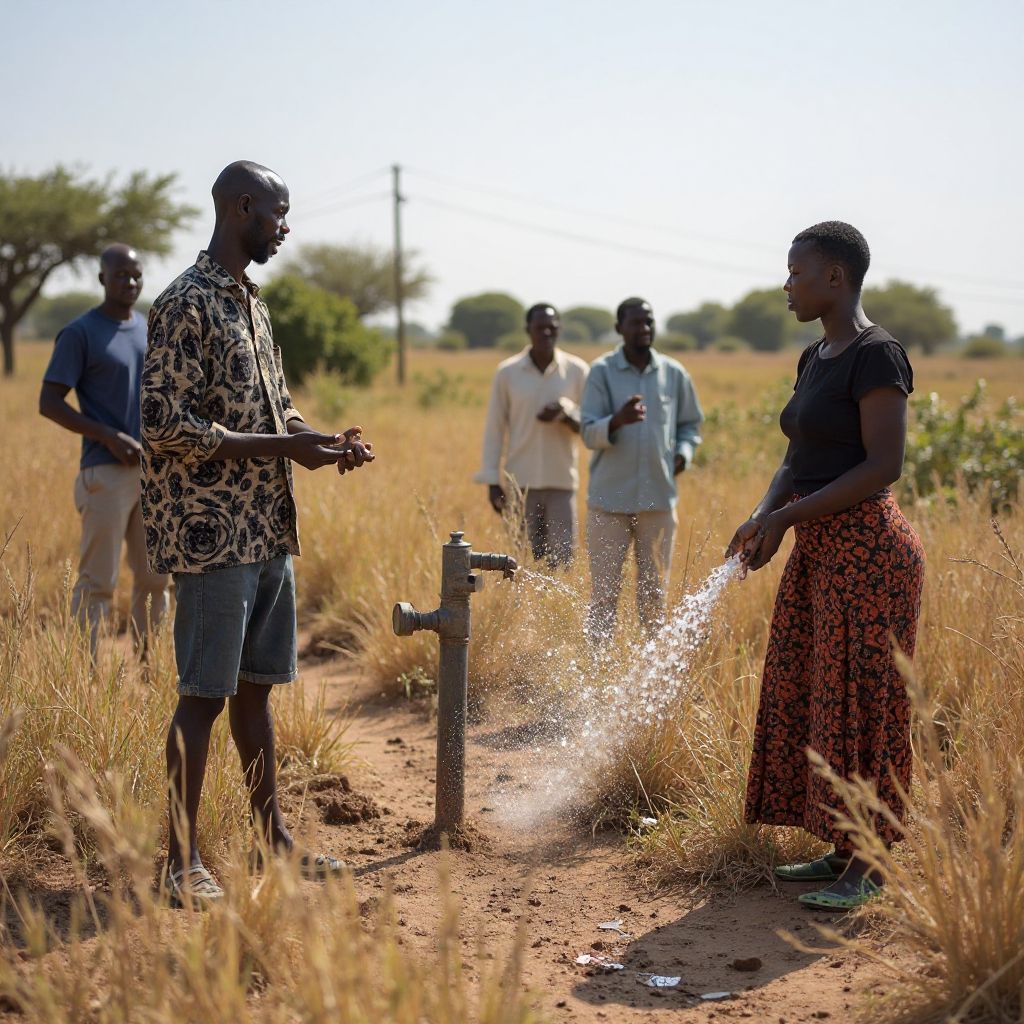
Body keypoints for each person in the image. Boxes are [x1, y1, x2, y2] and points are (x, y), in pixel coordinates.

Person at [141, 160, 375, 909]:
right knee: (202, 698)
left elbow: (276, 412)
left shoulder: (252, 304)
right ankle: (180, 863)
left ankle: (273, 842)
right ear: (241, 208)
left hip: (265, 530)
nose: (284, 225)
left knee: (255, 696)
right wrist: (283, 447)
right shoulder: (185, 302)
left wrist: (322, 441)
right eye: (277, 212)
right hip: (212, 539)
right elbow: (164, 424)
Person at [727, 221, 925, 911]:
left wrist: (784, 520)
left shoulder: (878, 355)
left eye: (796, 273)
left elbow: (883, 465)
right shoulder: (817, 356)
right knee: (818, 693)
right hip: (819, 548)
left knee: (865, 703)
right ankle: (841, 846)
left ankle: (869, 866)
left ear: (834, 278)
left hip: (869, 554)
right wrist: (765, 514)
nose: (787, 285)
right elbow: (796, 457)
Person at [39, 244, 171, 655]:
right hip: (105, 472)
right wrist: (107, 436)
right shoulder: (80, 333)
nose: (130, 282)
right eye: (120, 275)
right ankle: (86, 673)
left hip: (151, 473)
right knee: (99, 583)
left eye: (136, 274)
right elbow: (49, 402)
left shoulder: (149, 327)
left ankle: (150, 669)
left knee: (154, 580)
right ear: (102, 279)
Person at [580, 298, 703, 637]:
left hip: (658, 502)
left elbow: (690, 425)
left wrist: (683, 453)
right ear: (619, 328)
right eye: (635, 323)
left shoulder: (673, 373)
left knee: (654, 598)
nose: (644, 329)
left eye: (648, 321)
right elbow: (588, 432)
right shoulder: (602, 372)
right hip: (608, 503)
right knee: (603, 597)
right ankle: (598, 675)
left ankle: (648, 678)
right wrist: (617, 421)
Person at [475, 303, 589, 566]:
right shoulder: (508, 372)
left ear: (560, 329)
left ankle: (554, 608)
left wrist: (566, 410)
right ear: (528, 329)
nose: (546, 333)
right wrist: (492, 481)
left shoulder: (577, 370)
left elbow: (590, 423)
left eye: (552, 327)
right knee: (520, 561)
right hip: (520, 483)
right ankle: (520, 610)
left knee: (562, 561)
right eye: (540, 327)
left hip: (561, 481)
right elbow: (495, 428)